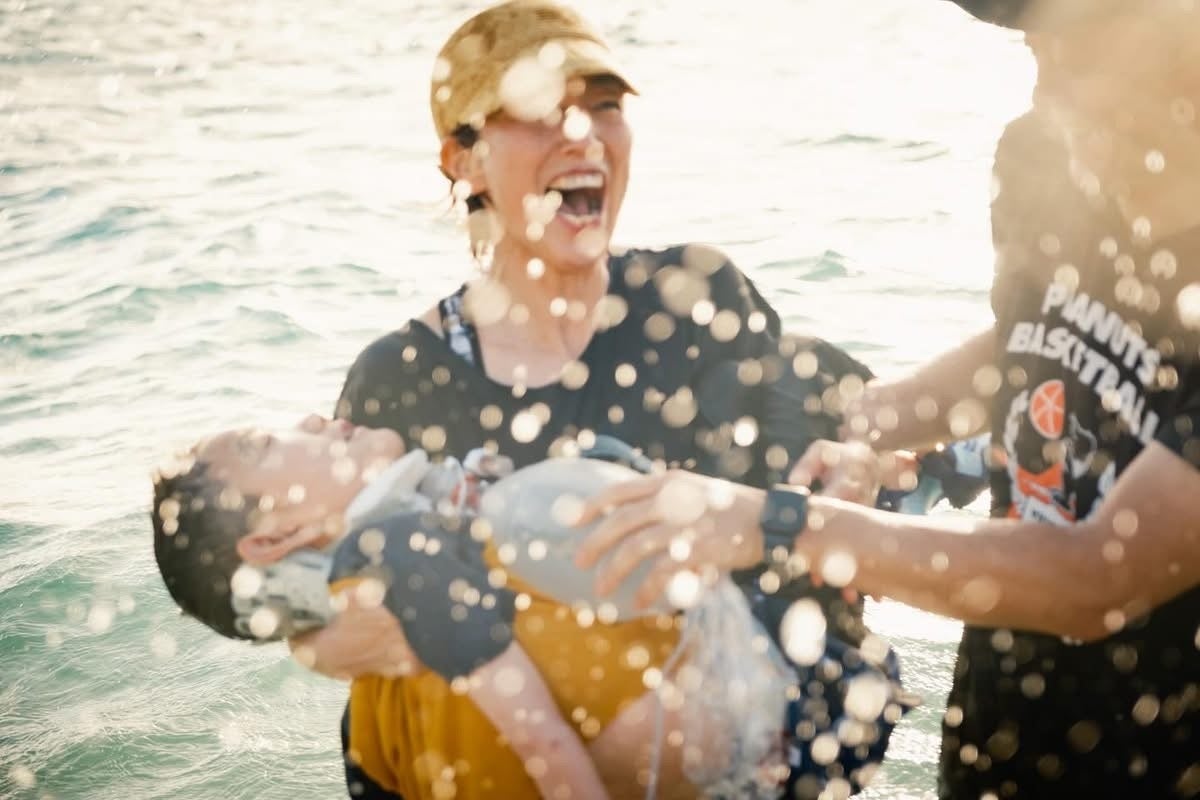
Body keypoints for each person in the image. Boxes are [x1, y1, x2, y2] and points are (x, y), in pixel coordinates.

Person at [574, 1, 1200, 797]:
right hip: (1001, 729)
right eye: (1038, 51)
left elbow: (1099, 579)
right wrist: (870, 427)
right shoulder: (1044, 155)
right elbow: (1039, 333)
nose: (1053, 97)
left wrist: (781, 523)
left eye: (1084, 57)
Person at [324, 1, 912, 797]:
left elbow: (825, 477)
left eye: (604, 105)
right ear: (464, 161)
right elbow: (339, 618)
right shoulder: (398, 381)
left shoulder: (697, 297)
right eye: (539, 110)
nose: (582, 135)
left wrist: (861, 461)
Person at [150, 415, 614, 800]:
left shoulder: (374, 732)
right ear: (277, 537)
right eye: (263, 444)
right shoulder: (407, 560)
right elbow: (545, 745)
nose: (312, 419)